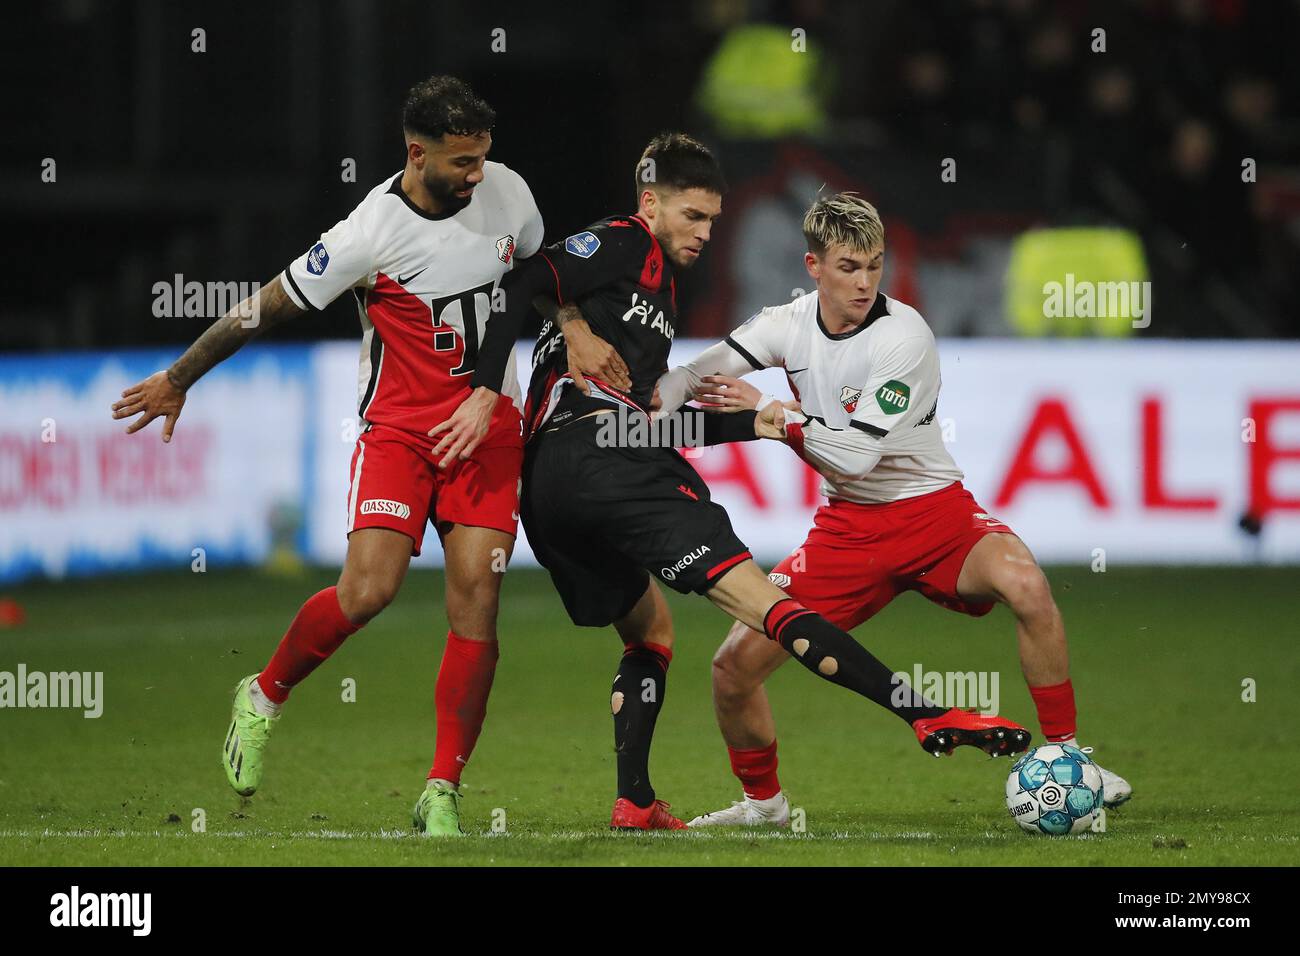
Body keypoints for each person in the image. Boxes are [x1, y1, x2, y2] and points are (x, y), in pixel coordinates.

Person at [433, 138, 1029, 831]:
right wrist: (486, 387)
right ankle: (923, 713)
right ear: (650, 202)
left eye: (713, 220)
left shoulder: (651, 291)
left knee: (650, 629)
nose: (705, 234)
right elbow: (523, 280)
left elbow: (645, 424)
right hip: (607, 461)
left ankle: (635, 801)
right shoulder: (626, 243)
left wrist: (759, 423)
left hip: (555, 488)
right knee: (767, 605)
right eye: (692, 216)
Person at [111, 75, 623, 837]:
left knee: (477, 600)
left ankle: (442, 788)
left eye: (483, 158)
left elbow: (537, 277)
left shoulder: (509, 192)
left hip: (488, 431)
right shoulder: (367, 234)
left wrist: (574, 323)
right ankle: (263, 695)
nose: (477, 175)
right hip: (399, 436)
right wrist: (180, 377)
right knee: (368, 592)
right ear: (417, 155)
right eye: (461, 163)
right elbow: (266, 304)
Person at [652, 192, 1132, 828]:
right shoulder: (785, 324)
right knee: (733, 668)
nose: (864, 281)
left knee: (1027, 584)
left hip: (936, 516)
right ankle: (763, 807)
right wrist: (633, 398)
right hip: (848, 532)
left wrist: (772, 415)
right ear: (813, 266)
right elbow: (688, 378)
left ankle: (1071, 759)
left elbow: (853, 458)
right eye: (849, 266)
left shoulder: (905, 336)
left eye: (874, 265)